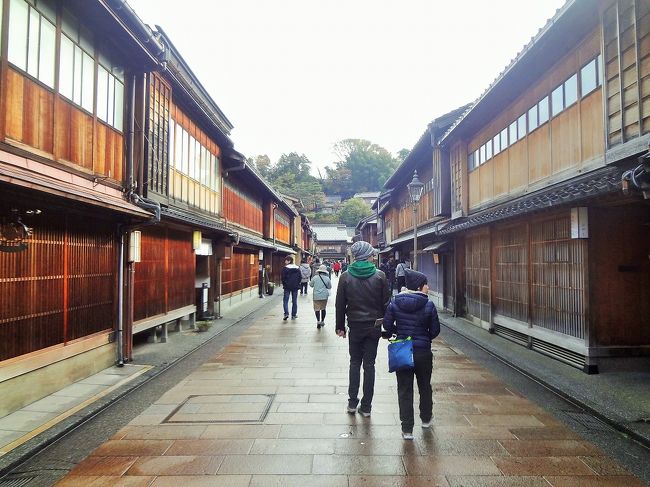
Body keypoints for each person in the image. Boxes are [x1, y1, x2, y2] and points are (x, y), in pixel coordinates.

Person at [383, 268, 440, 440]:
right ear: (420, 286)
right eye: (425, 284)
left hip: (403, 351)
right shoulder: (428, 304)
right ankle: (426, 419)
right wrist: (425, 337)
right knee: (425, 386)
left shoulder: (395, 302)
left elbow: (386, 325)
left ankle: (407, 429)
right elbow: (435, 330)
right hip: (422, 352)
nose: (428, 287)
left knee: (405, 389)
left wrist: (398, 331)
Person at [335, 240, 391, 417]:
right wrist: (386, 326)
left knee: (354, 362)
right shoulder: (380, 276)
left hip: (355, 325)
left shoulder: (345, 276)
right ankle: (366, 406)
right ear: (367, 255)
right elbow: (386, 303)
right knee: (369, 365)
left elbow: (339, 304)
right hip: (374, 326)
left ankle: (352, 403)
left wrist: (340, 326)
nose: (374, 256)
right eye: (372, 254)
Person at [309, 264, 332, 328]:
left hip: (316, 296)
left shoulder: (315, 277)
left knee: (317, 309)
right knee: (323, 308)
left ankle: (318, 321)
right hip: (324, 296)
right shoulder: (327, 278)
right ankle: (322, 321)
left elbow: (311, 285)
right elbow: (330, 287)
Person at [281, 256, 302, 320]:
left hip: (287, 287)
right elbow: (300, 277)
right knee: (294, 301)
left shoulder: (285, 268)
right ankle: (293, 315)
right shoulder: (297, 268)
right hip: (295, 287)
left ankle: (286, 313)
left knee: (285, 300)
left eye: (286, 260)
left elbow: (282, 278)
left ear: (289, 261)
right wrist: (297, 283)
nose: (285, 262)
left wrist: (285, 284)